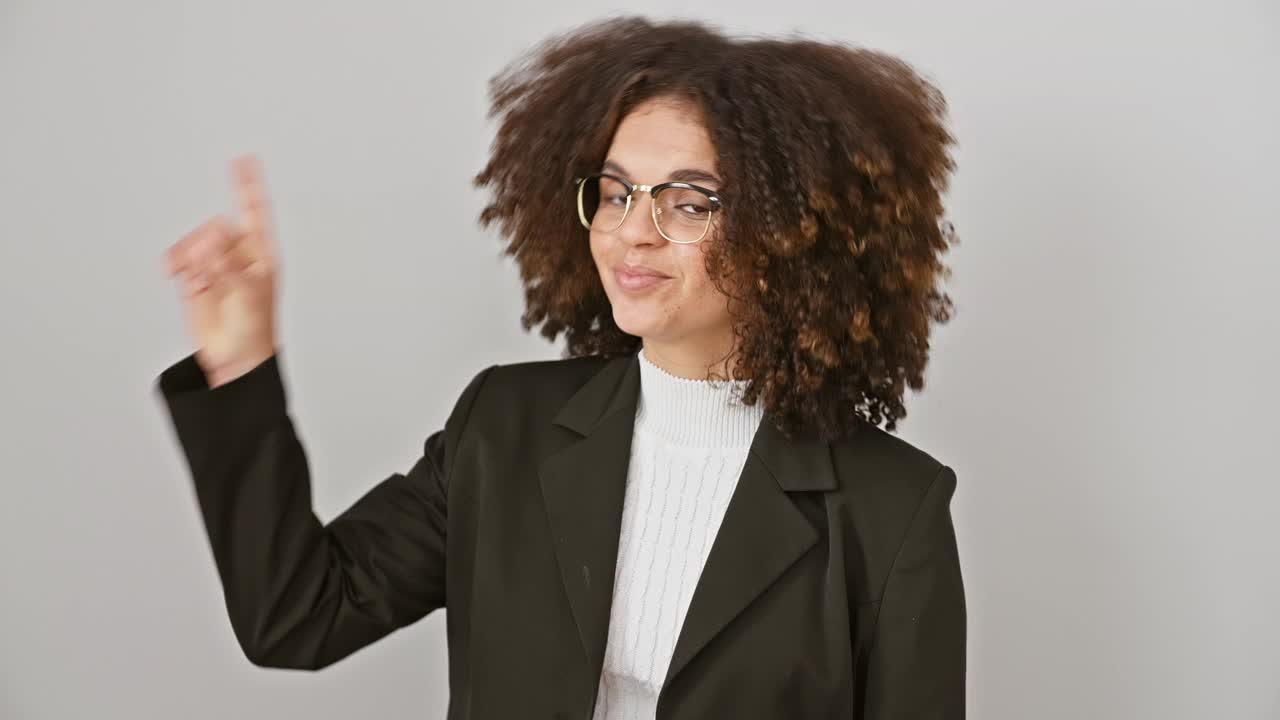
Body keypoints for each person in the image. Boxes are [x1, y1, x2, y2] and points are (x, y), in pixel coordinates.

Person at [156, 16, 966, 720]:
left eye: (687, 202)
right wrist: (241, 367)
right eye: (615, 194)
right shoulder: (504, 429)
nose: (631, 233)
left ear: (791, 234)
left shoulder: (891, 508)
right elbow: (297, 617)